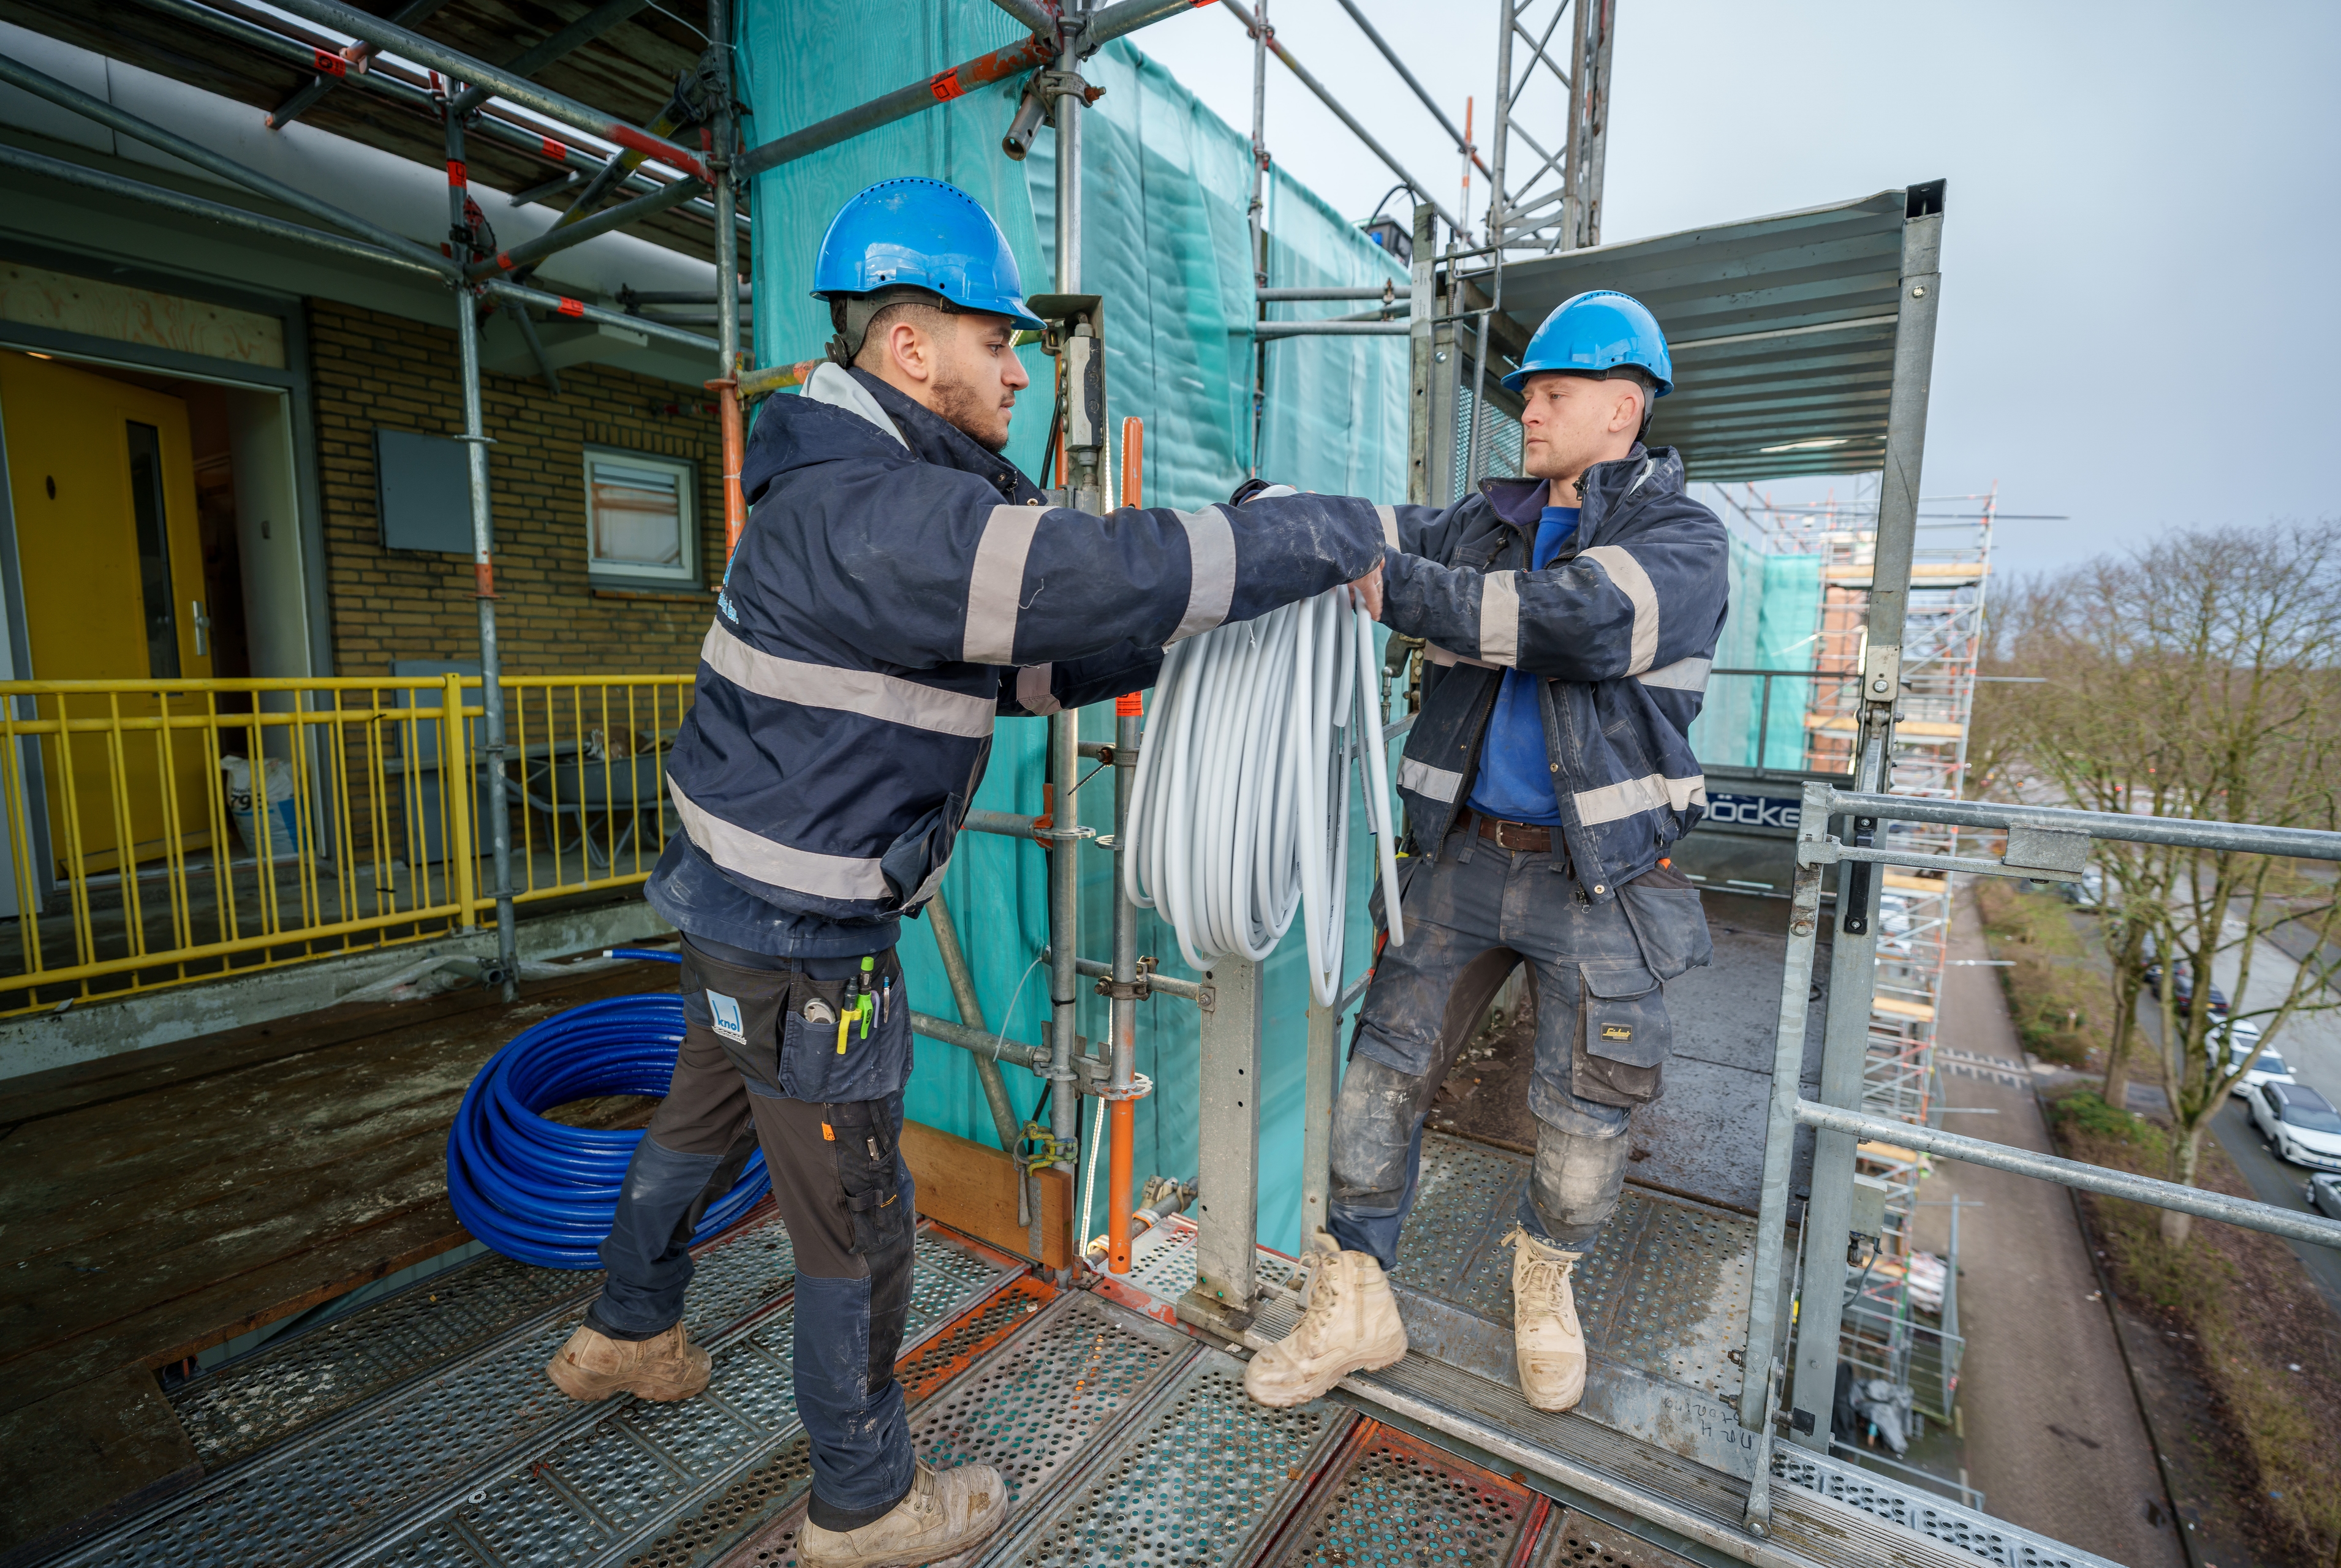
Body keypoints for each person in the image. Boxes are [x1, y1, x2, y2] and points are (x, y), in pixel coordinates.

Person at [539, 176, 1385, 1568]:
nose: (1019, 372)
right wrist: (1321, 535)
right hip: (808, 940)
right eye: (999, 344)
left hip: (732, 912)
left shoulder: (849, 493)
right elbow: (1090, 572)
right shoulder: (876, 510)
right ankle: (865, 1503)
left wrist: (1182, 628)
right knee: (857, 1217)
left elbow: (1025, 659)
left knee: (700, 1119)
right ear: (910, 345)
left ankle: (626, 1333)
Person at [1243, 289, 1729, 1417]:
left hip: (1600, 881)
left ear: (1624, 408)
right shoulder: (1485, 522)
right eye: (1526, 397)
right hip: (1462, 858)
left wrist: (1398, 588)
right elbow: (1374, 528)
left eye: (1552, 394)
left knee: (1584, 1122)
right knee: (1377, 1084)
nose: (1530, 414)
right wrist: (1277, 518)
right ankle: (1357, 1301)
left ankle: (1545, 1287)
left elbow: (1574, 620)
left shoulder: (1681, 541)